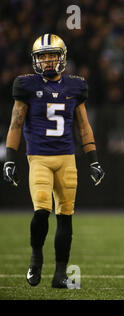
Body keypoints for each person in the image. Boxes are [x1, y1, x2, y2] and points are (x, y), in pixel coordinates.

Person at [2, 34, 105, 288]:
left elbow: (84, 126)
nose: (48, 61)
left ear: (62, 58)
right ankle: (36, 259)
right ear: (36, 60)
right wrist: (10, 159)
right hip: (38, 158)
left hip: (67, 158)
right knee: (41, 212)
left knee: (66, 217)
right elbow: (16, 124)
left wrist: (93, 159)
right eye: (43, 56)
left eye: (52, 55)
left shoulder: (75, 86)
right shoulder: (25, 85)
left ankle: (60, 274)